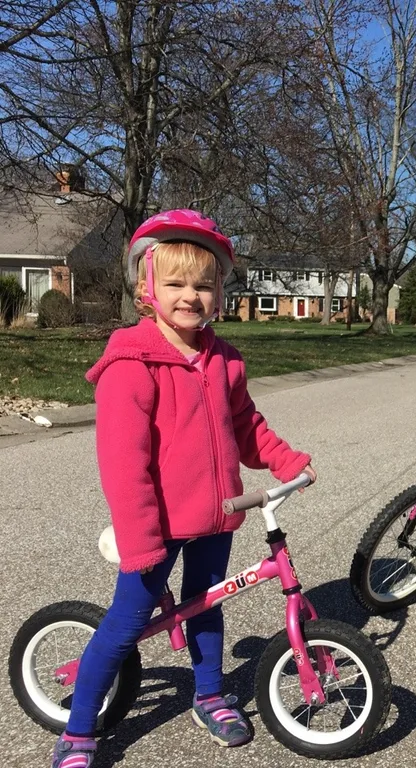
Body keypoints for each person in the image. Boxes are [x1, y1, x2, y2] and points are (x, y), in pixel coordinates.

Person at [51, 210, 315, 768]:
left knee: (206, 605)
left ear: (219, 292)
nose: (190, 295)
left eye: (203, 283)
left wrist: (288, 462)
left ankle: (211, 695)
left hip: (216, 517)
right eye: (174, 283)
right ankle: (78, 730)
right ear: (147, 289)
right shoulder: (132, 364)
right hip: (156, 527)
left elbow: (246, 427)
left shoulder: (223, 360)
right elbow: (125, 466)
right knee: (125, 625)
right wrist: (142, 540)